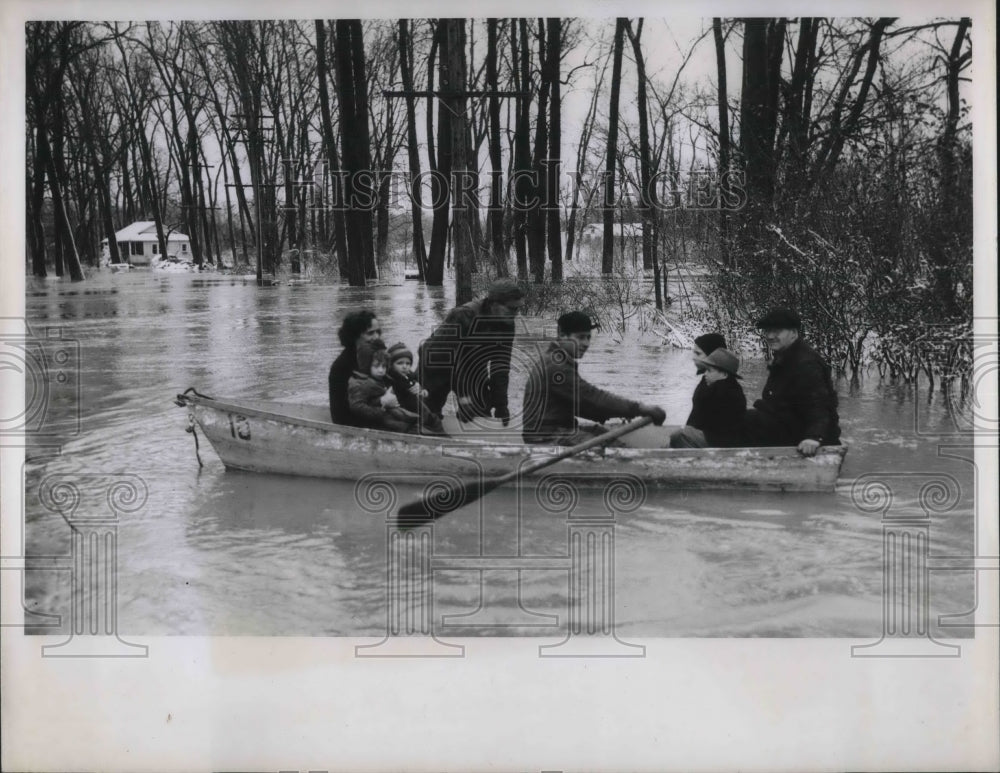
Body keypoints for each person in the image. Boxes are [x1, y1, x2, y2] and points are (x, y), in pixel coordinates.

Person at [521, 311, 666, 445]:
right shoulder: (556, 366)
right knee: (615, 451)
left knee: (604, 435)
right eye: (580, 337)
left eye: (588, 337)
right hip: (546, 436)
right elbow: (591, 398)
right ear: (562, 335)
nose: (586, 343)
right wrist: (638, 408)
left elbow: (581, 405)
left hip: (553, 430)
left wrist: (619, 411)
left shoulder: (556, 359)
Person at [418, 279, 525, 424]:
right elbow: (447, 360)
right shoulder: (463, 315)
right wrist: (464, 397)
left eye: (518, 309)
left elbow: (500, 367)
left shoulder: (507, 324)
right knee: (426, 415)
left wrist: (501, 405)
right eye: (511, 309)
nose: (516, 314)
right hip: (436, 363)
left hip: (472, 367)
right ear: (494, 304)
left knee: (480, 412)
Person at [742, 308, 841, 456]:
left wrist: (814, 437)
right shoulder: (785, 357)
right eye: (767, 331)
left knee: (747, 420)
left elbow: (819, 404)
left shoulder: (805, 364)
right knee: (744, 417)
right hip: (788, 426)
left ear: (794, 333)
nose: (770, 336)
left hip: (803, 435)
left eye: (777, 331)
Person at [669, 348, 747, 448]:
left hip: (720, 443)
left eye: (709, 371)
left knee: (679, 435)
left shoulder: (725, 392)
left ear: (724, 374)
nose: (705, 373)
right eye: (705, 370)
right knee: (679, 437)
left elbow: (706, 422)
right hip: (716, 438)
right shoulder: (723, 387)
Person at [348, 341, 417, 433]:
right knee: (404, 427)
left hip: (387, 412)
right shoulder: (362, 384)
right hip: (377, 418)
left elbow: (401, 375)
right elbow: (357, 407)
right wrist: (382, 408)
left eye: (384, 366)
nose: (381, 370)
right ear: (367, 365)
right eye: (376, 366)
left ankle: (414, 422)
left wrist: (415, 382)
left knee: (411, 419)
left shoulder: (381, 377)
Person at [328, 309, 382, 425]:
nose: (377, 337)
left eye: (378, 332)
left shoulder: (378, 357)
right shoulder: (341, 366)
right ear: (354, 336)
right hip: (357, 423)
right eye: (370, 333)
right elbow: (340, 415)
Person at [385, 342, 447, 435]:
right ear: (391, 365)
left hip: (413, 408)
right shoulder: (391, 380)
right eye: (400, 363)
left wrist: (422, 390)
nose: (405, 366)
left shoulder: (409, 375)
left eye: (408, 363)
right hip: (403, 412)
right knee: (428, 421)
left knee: (432, 418)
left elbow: (418, 385)